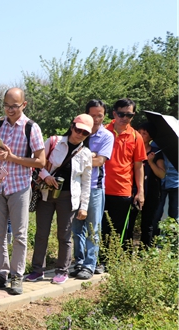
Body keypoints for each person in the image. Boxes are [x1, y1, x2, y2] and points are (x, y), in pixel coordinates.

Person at [0, 88, 45, 295]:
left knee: (19, 234)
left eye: (15, 106)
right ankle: (0, 274)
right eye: (7, 105)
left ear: (24, 105)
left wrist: (12, 158)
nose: (10, 110)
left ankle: (17, 275)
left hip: (20, 186)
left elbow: (40, 161)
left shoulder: (31, 128)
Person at [26, 115, 93, 284]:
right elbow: (38, 163)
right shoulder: (54, 142)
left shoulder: (86, 153)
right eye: (78, 129)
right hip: (46, 193)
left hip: (68, 198)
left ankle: (62, 270)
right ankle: (37, 270)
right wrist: (46, 176)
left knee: (64, 235)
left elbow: (86, 183)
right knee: (41, 233)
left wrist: (84, 207)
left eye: (85, 133)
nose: (80, 134)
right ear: (72, 126)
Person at [70, 100, 114, 279]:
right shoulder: (79, 132)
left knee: (93, 228)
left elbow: (99, 161)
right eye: (92, 115)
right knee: (76, 229)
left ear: (104, 116)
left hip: (95, 187)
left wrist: (82, 157)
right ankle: (79, 262)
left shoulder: (107, 136)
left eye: (99, 116)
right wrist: (90, 156)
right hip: (75, 187)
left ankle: (90, 264)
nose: (96, 119)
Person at [101, 99, 146, 266]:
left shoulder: (136, 136)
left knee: (119, 229)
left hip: (123, 190)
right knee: (100, 227)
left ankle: (114, 262)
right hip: (100, 188)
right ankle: (99, 260)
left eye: (129, 115)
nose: (125, 118)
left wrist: (140, 191)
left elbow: (139, 166)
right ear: (114, 113)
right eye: (121, 114)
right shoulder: (103, 131)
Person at [125, 123, 165, 247]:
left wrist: (150, 162)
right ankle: (126, 250)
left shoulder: (156, 153)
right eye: (139, 132)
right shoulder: (131, 149)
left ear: (151, 137)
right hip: (133, 190)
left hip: (151, 192)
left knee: (147, 224)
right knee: (129, 222)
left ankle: (145, 251)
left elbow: (162, 174)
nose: (140, 135)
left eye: (144, 133)